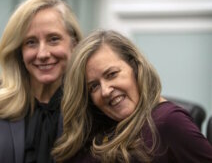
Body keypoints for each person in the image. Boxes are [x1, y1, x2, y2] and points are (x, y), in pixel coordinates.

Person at [0, 0, 82, 163]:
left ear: (75, 44)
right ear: (19, 51)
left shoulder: (87, 110)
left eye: (54, 39)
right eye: (31, 42)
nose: (42, 54)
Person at [52, 30, 212, 163]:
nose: (105, 90)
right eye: (94, 86)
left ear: (135, 67)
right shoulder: (92, 131)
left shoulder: (168, 122)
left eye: (112, 74)